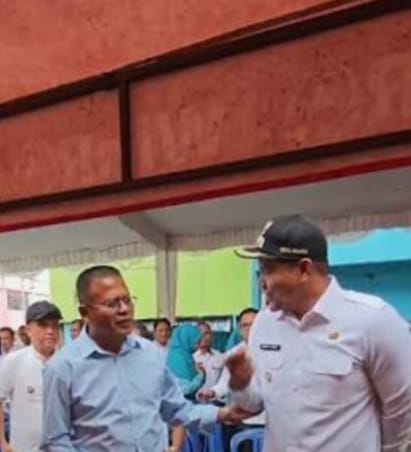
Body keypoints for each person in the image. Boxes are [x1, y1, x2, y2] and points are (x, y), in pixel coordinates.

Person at [227, 214, 411, 452]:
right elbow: (254, 405)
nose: (262, 282)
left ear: (304, 269)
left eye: (268, 270)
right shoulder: (264, 324)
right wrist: (240, 383)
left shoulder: (373, 320)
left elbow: (402, 409)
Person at [42, 265, 250, 452]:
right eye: (112, 303)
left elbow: (177, 410)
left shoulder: (149, 354)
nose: (124, 309)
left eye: (127, 300)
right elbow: (56, 439)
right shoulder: (63, 368)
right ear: (85, 312)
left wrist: (223, 414)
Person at [0, 301, 62, 452]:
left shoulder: (67, 362)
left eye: (55, 325)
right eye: (43, 325)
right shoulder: (13, 361)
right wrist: (3, 443)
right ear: (28, 330)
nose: (50, 331)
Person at [197, 309, 257, 403]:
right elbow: (225, 382)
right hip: (243, 406)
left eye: (253, 324)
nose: (249, 329)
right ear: (240, 330)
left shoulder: (274, 350)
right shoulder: (233, 354)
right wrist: (213, 392)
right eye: (245, 325)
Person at [166, 324, 205, 398]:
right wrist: (200, 376)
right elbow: (184, 389)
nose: (198, 345)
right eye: (196, 341)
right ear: (187, 339)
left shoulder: (185, 355)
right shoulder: (178, 357)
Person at [193, 322, 224, 390]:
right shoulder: (191, 358)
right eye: (199, 334)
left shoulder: (220, 356)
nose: (203, 337)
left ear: (211, 335)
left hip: (216, 395)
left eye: (206, 333)